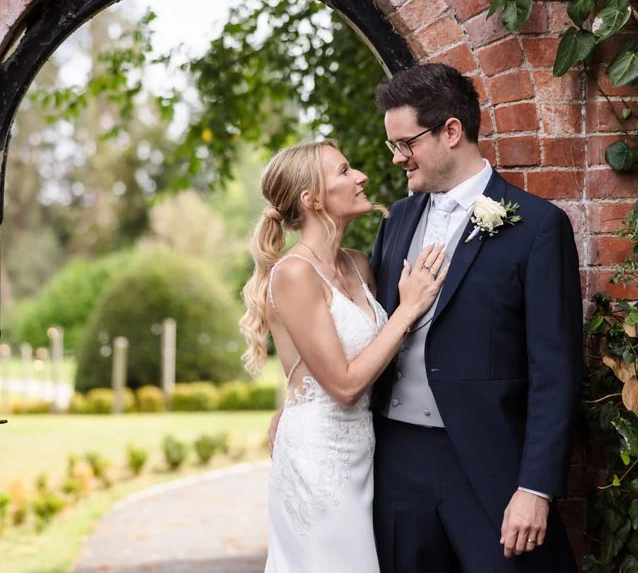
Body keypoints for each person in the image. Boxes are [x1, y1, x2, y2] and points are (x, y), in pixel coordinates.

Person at [368, 63, 583, 572]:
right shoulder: (396, 221)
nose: (398, 158)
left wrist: (536, 486)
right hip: (397, 461)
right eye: (392, 145)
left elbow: (556, 369)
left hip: (489, 463)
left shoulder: (536, 226)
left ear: (451, 131)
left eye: (406, 143)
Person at [239, 139, 448, 573]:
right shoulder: (294, 274)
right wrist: (408, 308)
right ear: (311, 199)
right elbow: (346, 386)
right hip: (318, 461)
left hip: (365, 453)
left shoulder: (356, 264)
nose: (361, 177)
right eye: (344, 171)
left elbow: (366, 355)